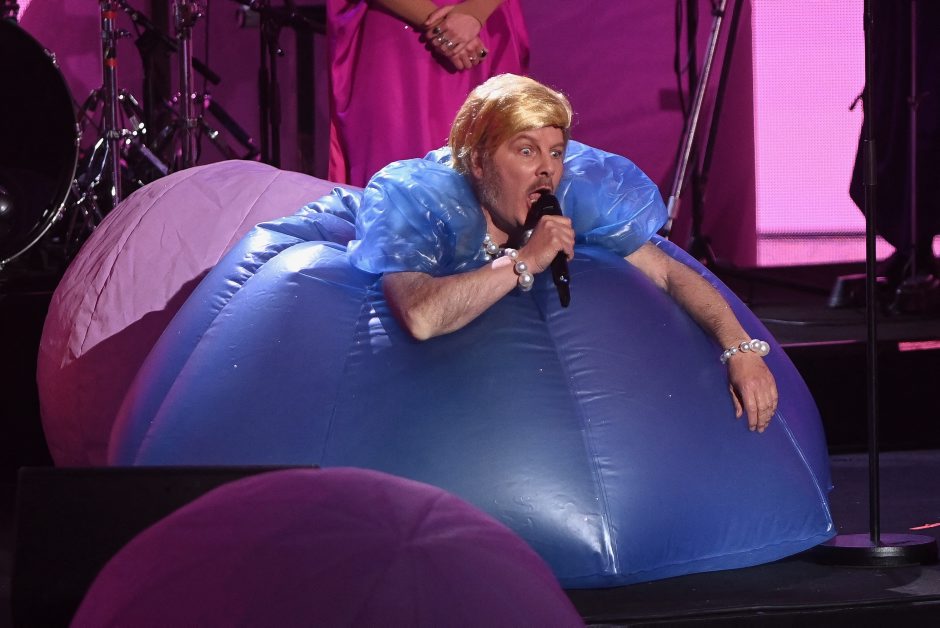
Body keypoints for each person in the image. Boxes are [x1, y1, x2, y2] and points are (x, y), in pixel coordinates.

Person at [348, 73, 778, 434]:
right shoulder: (422, 202)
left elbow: (667, 271)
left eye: (555, 152)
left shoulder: (573, 193)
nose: (547, 169)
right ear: (478, 162)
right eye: (526, 150)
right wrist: (525, 261)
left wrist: (739, 347)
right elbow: (420, 318)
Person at [326, 0, 528, 187]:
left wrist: (476, 12)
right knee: (397, 168)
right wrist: (444, 24)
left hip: (485, 26)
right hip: (400, 29)